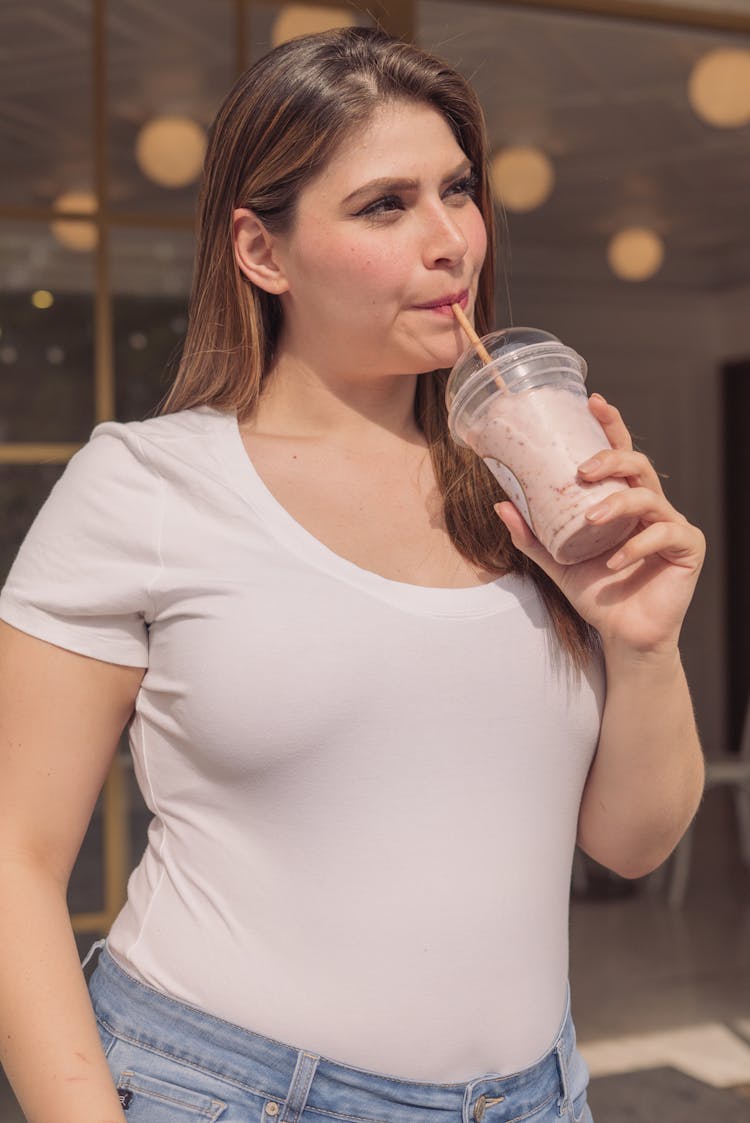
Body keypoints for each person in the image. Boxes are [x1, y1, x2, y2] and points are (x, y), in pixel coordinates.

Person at [0, 26, 705, 1123]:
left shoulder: (527, 488)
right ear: (262, 251)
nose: (451, 242)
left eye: (457, 191)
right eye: (386, 204)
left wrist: (643, 642)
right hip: (225, 1094)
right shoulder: (144, 487)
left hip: (536, 1097)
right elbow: (13, 858)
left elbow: (631, 841)